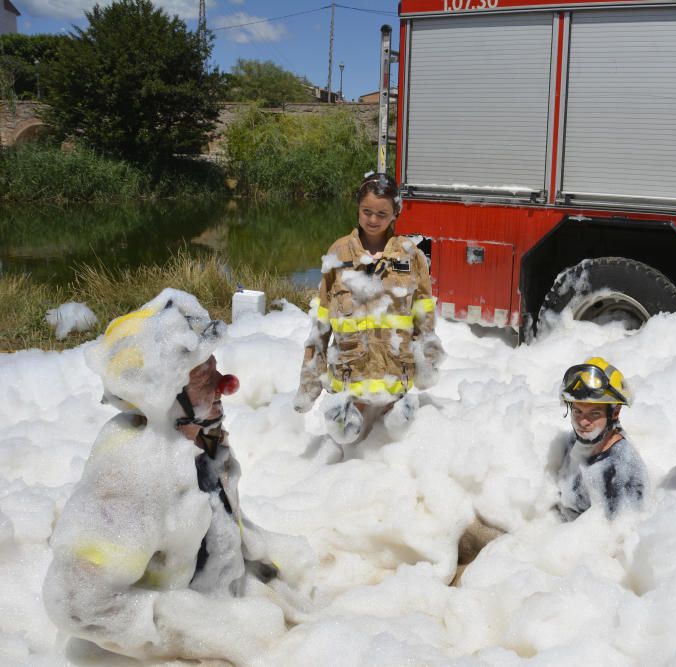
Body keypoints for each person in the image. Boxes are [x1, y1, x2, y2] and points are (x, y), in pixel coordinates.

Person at [44, 289, 309, 666]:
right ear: (165, 393)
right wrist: (180, 635)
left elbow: (220, 525)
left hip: (224, 624)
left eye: (217, 369)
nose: (226, 384)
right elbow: (78, 605)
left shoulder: (201, 443)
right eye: (206, 378)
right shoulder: (133, 473)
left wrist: (267, 567)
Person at [295, 172, 443, 445]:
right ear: (357, 209)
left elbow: (425, 317)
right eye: (367, 211)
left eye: (382, 213)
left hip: (395, 379)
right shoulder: (339, 252)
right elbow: (321, 323)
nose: (373, 220)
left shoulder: (411, 255)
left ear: (395, 214)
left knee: (394, 448)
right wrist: (309, 386)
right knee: (345, 442)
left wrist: (428, 367)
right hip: (350, 380)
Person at [555, 357, 648, 521]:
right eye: (577, 412)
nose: (583, 422)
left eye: (594, 414)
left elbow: (617, 539)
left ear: (615, 412)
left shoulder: (622, 473)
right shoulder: (574, 442)